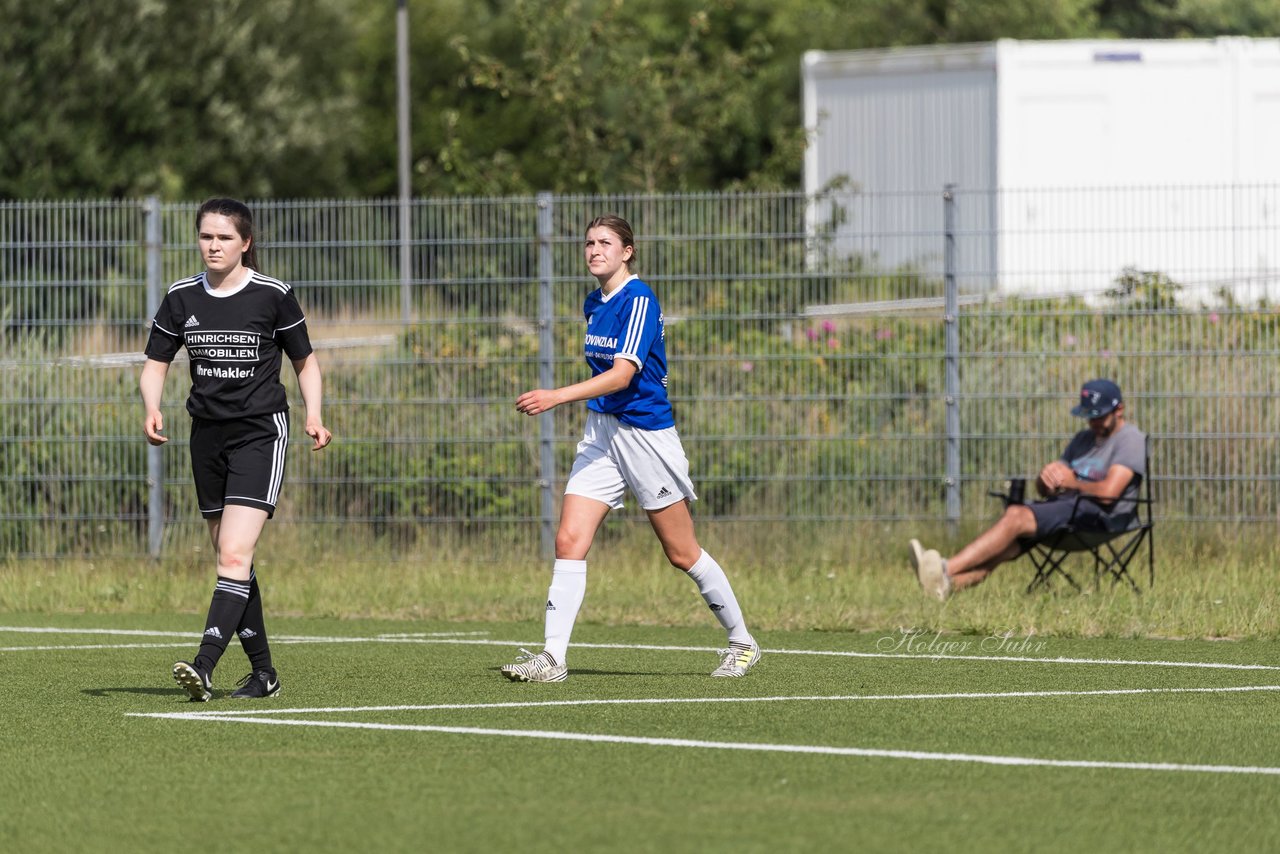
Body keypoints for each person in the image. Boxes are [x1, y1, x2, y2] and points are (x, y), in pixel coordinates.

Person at [501, 214, 761, 682]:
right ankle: (553, 658)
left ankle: (742, 641)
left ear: (627, 252)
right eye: (588, 243)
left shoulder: (638, 299)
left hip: (645, 437)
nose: (594, 250)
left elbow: (623, 375)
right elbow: (608, 383)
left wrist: (555, 396)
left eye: (605, 242)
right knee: (568, 540)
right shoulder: (593, 302)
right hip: (602, 433)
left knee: (682, 553)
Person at [139, 197, 332, 701]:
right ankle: (264, 674)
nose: (213, 246)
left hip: (258, 434)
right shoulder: (181, 297)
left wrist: (313, 414)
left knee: (233, 552)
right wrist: (152, 407)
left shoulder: (273, 294)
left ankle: (203, 665)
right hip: (206, 437)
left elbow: (304, 362)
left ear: (245, 242)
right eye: (206, 236)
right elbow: (156, 363)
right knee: (232, 562)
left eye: (224, 237)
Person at [910, 379, 1145, 600]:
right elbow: (1046, 489)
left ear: (1119, 410)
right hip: (1065, 510)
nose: (1093, 423)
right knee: (1006, 546)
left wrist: (1072, 483)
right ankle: (946, 586)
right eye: (1089, 417)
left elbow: (1109, 494)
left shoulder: (1130, 439)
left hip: (1099, 519)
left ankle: (944, 568)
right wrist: (1046, 480)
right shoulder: (1083, 439)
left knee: (1016, 516)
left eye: (1099, 417)